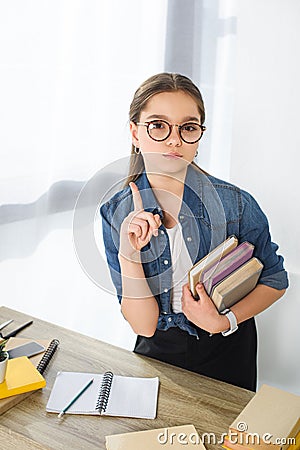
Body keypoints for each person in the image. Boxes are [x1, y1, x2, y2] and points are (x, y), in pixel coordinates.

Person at [100, 72, 288, 391]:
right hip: (157, 351)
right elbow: (144, 326)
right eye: (158, 125)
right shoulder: (116, 213)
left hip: (227, 348)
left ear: (198, 136)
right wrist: (129, 255)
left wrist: (222, 321)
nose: (174, 140)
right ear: (134, 132)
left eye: (187, 127)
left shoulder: (236, 205)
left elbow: (275, 280)